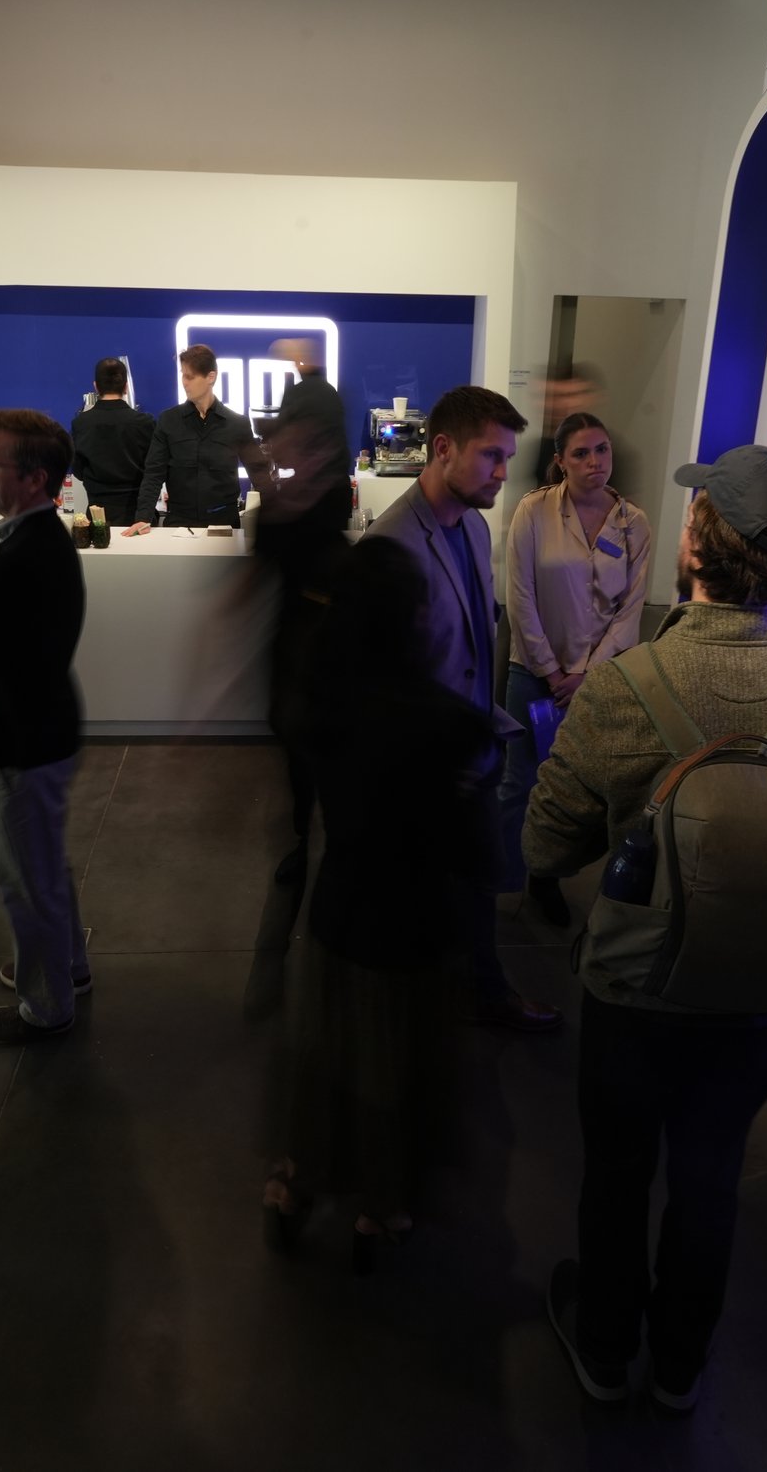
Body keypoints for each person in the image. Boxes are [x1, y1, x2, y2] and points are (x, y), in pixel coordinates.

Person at [525, 445, 767, 1412]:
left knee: (616, 1174)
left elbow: (544, 843)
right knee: (712, 1179)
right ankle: (680, 1367)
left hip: (632, 995)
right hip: (756, 1002)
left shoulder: (623, 686)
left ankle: (606, 1350)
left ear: (695, 542)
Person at [261, 538, 483, 1271]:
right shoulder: (447, 723)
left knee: (326, 1061)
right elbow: (469, 847)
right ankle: (379, 1208)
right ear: (411, 617)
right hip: (414, 924)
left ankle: (296, 1185)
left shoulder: (316, 705)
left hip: (339, 911)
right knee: (396, 1074)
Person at [368, 384, 559, 1035]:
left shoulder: (474, 528)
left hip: (476, 754)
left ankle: (482, 994)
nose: (503, 473)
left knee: (476, 891)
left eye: (508, 458)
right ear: (443, 448)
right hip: (422, 775)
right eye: (491, 456)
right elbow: (380, 689)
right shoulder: (391, 545)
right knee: (422, 907)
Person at [0, 408, 91, 1044]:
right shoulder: (35, 541)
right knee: (44, 866)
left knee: (27, 882)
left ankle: (47, 1004)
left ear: (34, 479)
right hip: (40, 730)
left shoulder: (23, 557)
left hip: (22, 740)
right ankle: (69, 967)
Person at [498, 411, 653, 927]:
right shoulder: (534, 511)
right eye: (581, 453)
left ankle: (545, 878)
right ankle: (501, 881)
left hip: (601, 680)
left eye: (602, 450)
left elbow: (631, 611)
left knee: (578, 788)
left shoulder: (633, 523)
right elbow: (520, 597)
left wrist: (589, 673)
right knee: (520, 780)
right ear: (560, 461)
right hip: (533, 672)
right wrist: (551, 671)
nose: (595, 462)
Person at [250, 336, 351, 885]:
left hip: (324, 653)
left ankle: (323, 847)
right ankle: (303, 839)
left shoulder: (327, 503)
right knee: (298, 754)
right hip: (294, 650)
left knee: (324, 756)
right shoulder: (280, 511)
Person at [126, 344, 265, 533]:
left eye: (190, 377)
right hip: (179, 524)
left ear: (211, 377)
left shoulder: (237, 424)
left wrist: (281, 519)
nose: (184, 382)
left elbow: (259, 473)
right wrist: (143, 517)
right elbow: (153, 473)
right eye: (183, 375)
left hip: (224, 525)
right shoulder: (168, 420)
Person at [69, 356, 155, 523]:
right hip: (138, 517)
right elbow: (154, 469)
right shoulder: (145, 423)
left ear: (96, 386)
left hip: (97, 516)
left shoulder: (80, 423)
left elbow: (78, 470)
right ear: (126, 387)